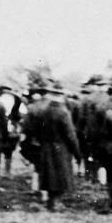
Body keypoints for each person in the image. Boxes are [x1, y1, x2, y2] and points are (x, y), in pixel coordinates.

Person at [32, 82, 80, 211]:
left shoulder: (43, 111)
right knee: (60, 175)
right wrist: (77, 152)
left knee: (49, 175)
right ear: (62, 96)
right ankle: (55, 202)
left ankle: (51, 201)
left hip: (46, 146)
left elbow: (36, 129)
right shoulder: (63, 112)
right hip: (61, 147)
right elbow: (70, 135)